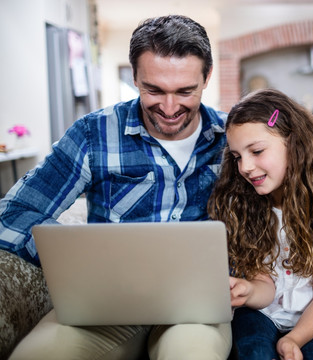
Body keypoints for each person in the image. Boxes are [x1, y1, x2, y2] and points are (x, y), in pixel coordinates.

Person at [0, 15, 233, 360]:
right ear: (134, 78)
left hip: (195, 308)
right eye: (153, 90)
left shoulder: (233, 138)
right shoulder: (93, 134)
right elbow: (16, 213)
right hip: (105, 303)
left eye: (185, 91)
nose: (169, 108)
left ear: (206, 77)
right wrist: (73, 259)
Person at [208, 88, 313, 360]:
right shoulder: (241, 205)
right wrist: (249, 290)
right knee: (253, 351)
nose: (245, 167)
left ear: (294, 143)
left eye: (256, 151)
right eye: (237, 156)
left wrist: (293, 339)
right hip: (261, 312)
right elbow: (263, 284)